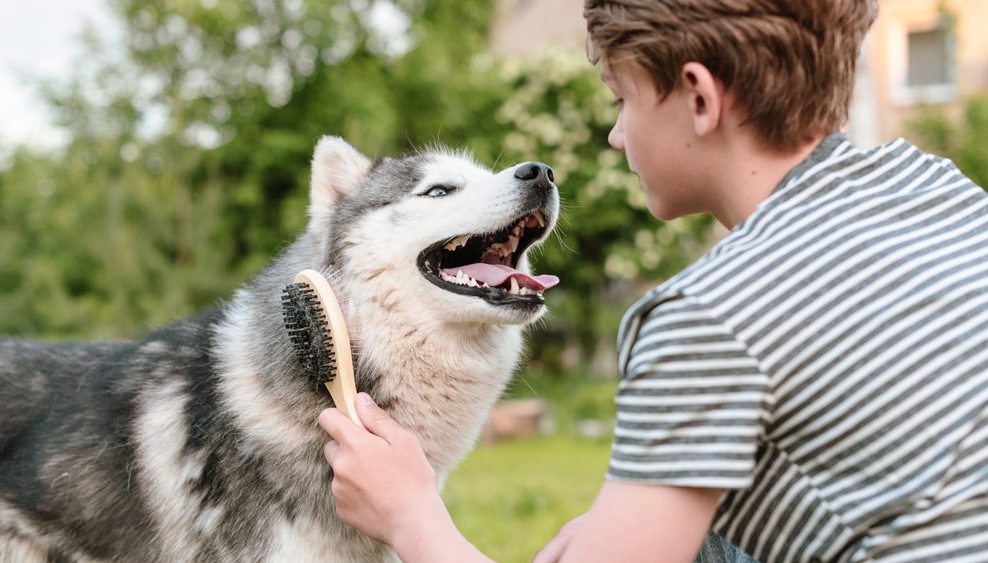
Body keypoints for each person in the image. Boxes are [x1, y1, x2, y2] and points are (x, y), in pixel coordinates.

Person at [318, 0, 988, 561]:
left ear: (698, 97)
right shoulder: (935, 187)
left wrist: (411, 515)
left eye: (622, 99)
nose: (614, 134)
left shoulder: (706, 315)